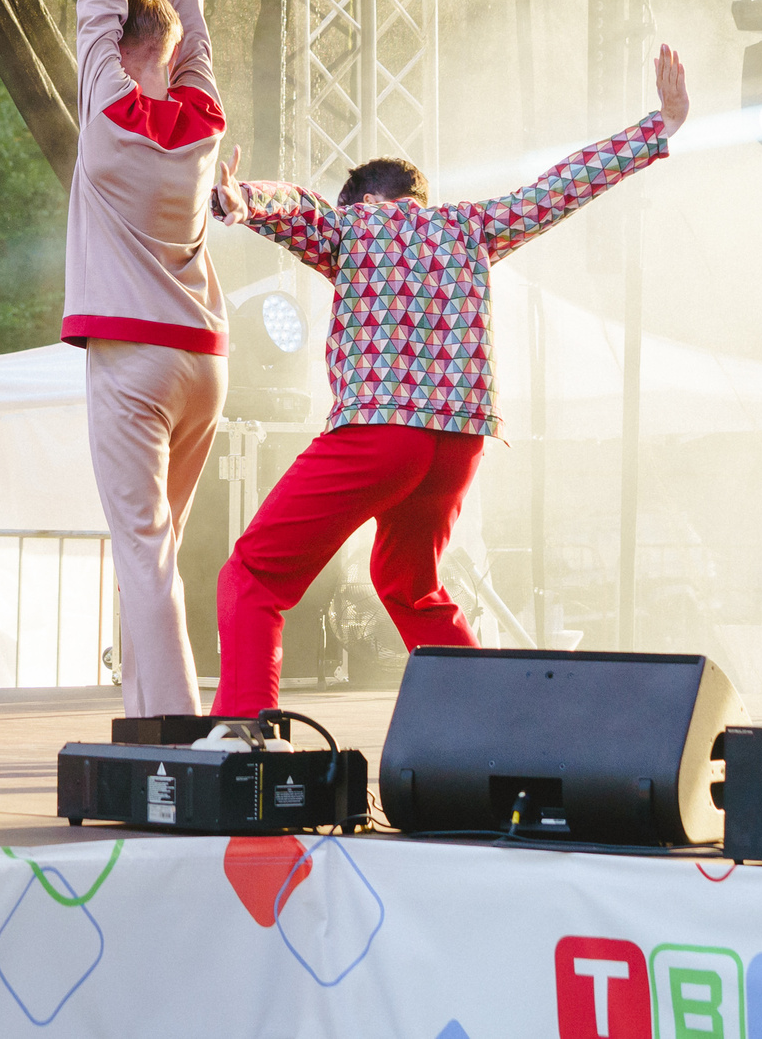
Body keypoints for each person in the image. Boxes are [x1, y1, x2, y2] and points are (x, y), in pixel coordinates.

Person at [205, 51, 687, 716]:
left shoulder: (354, 224)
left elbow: (294, 206)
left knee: (255, 573)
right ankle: (493, 727)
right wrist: (658, 127)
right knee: (408, 583)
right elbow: (558, 188)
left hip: (381, 433)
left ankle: (243, 729)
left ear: (366, 200)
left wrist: (242, 201)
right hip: (458, 446)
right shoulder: (469, 226)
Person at [63, 0, 231, 718]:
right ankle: (142, 719)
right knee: (157, 550)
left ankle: (172, 729)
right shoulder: (203, 115)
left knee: (144, 551)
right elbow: (190, 17)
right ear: (168, 52)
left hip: (134, 360)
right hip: (205, 359)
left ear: (117, 49)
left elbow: (97, 4)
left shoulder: (105, 113)